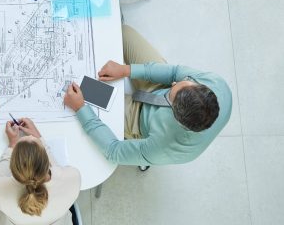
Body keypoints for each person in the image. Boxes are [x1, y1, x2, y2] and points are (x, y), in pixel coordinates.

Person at [63, 25, 232, 167]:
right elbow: (173, 73)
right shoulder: (216, 83)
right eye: (185, 82)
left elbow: (113, 151)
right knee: (122, 32)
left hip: (138, 119)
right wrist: (126, 70)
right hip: (158, 86)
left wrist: (81, 109)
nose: (174, 83)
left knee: (84, 90)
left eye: (171, 97)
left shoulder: (164, 148)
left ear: (176, 117)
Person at [0, 118, 80, 225]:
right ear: (47, 162)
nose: (30, 136)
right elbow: (58, 170)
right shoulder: (72, 178)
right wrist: (39, 139)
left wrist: (13, 144)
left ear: (13, 168)